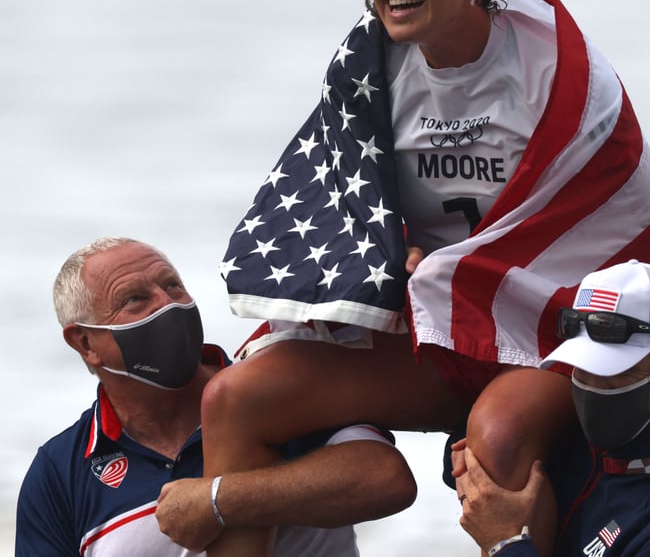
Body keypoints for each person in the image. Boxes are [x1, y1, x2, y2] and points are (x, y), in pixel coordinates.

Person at [204, 0, 650, 556]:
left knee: (496, 433)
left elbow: (621, 226)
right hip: (445, 328)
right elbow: (349, 220)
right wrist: (407, 259)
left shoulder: (558, 70)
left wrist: (453, 271)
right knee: (234, 398)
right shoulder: (371, 72)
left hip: (563, 329)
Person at [15, 237, 416, 556]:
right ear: (86, 343)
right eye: (136, 299)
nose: (169, 304)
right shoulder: (59, 472)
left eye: (173, 285)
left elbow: (386, 479)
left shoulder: (278, 386)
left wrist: (218, 500)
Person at [453, 260, 650, 556]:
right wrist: (471, 461)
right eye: (581, 368)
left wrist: (506, 545)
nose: (592, 388)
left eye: (614, 370)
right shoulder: (583, 451)